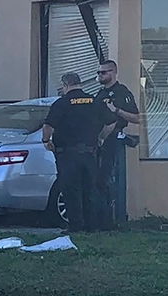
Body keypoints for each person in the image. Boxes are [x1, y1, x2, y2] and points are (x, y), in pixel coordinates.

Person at [41, 72, 116, 232]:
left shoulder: (62, 103)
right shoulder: (94, 101)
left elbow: (48, 126)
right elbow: (111, 122)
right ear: (79, 83)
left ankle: (76, 227)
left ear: (65, 84)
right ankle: (91, 227)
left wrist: (46, 141)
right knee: (89, 190)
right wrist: (101, 138)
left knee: (71, 191)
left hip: (67, 155)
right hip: (90, 154)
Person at [94, 60, 140, 229]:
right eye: (98, 73)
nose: (100, 76)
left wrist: (117, 110)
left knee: (107, 179)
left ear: (113, 72)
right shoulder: (100, 93)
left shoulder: (122, 92)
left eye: (103, 73)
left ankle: (112, 219)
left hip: (112, 140)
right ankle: (100, 219)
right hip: (99, 140)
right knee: (98, 180)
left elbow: (136, 118)